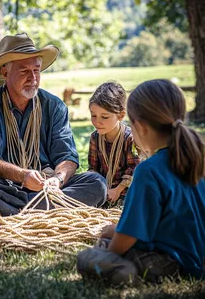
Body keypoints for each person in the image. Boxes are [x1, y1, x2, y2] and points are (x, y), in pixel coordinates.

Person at [77, 79, 205, 284]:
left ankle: (124, 272)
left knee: (86, 257)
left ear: (140, 127)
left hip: (170, 262)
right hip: (197, 255)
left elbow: (127, 237)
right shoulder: (195, 157)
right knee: (111, 235)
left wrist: (109, 249)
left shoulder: (148, 170)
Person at [0, 33, 107, 216]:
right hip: (8, 186)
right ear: (5, 72)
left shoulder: (54, 106)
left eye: (36, 70)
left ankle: (18, 212)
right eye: (24, 71)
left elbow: (67, 156)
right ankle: (51, 211)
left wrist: (58, 179)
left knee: (97, 183)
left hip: (49, 188)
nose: (33, 77)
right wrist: (23, 176)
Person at [88, 82, 140, 205]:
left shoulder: (130, 138)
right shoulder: (95, 138)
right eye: (93, 115)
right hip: (104, 191)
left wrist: (117, 190)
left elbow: (134, 169)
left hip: (126, 191)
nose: (97, 122)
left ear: (121, 115)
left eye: (104, 117)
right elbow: (93, 168)